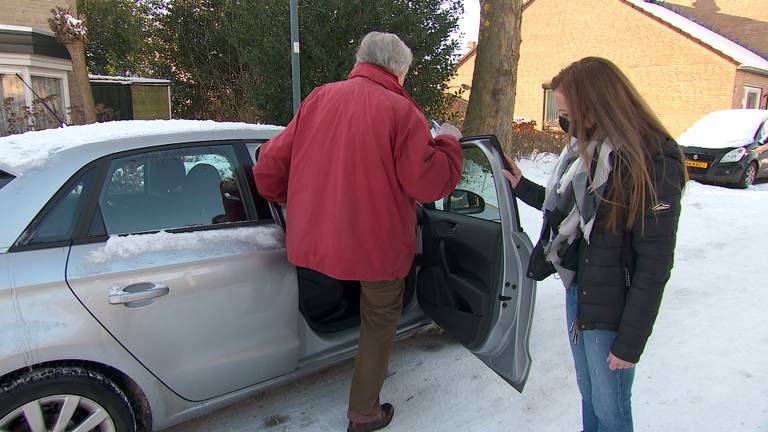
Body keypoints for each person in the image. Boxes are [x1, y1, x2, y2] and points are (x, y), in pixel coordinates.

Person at [252, 31, 463, 432]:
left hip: (315, 244)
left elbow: (268, 169)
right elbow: (428, 184)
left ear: (361, 61)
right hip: (377, 251)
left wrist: (291, 200)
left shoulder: (318, 98)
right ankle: (364, 414)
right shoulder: (403, 112)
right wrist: (449, 143)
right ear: (398, 71)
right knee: (379, 322)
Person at [503, 57, 686, 432]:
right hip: (581, 295)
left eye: (568, 112)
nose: (563, 122)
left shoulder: (651, 161)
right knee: (589, 396)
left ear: (596, 105)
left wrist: (630, 342)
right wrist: (522, 186)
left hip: (614, 312)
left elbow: (655, 265)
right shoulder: (588, 153)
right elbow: (571, 210)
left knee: (611, 408)